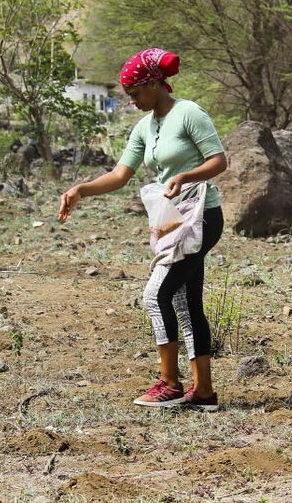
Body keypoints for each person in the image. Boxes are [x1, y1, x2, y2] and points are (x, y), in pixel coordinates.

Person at [57, 48, 228, 411]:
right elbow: (121, 175)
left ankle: (169, 383)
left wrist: (186, 175)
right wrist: (81, 189)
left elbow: (219, 161)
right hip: (172, 220)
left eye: (135, 93)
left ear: (153, 83)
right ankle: (204, 393)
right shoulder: (144, 125)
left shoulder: (189, 113)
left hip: (201, 217)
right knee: (185, 302)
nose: (131, 100)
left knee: (156, 295)